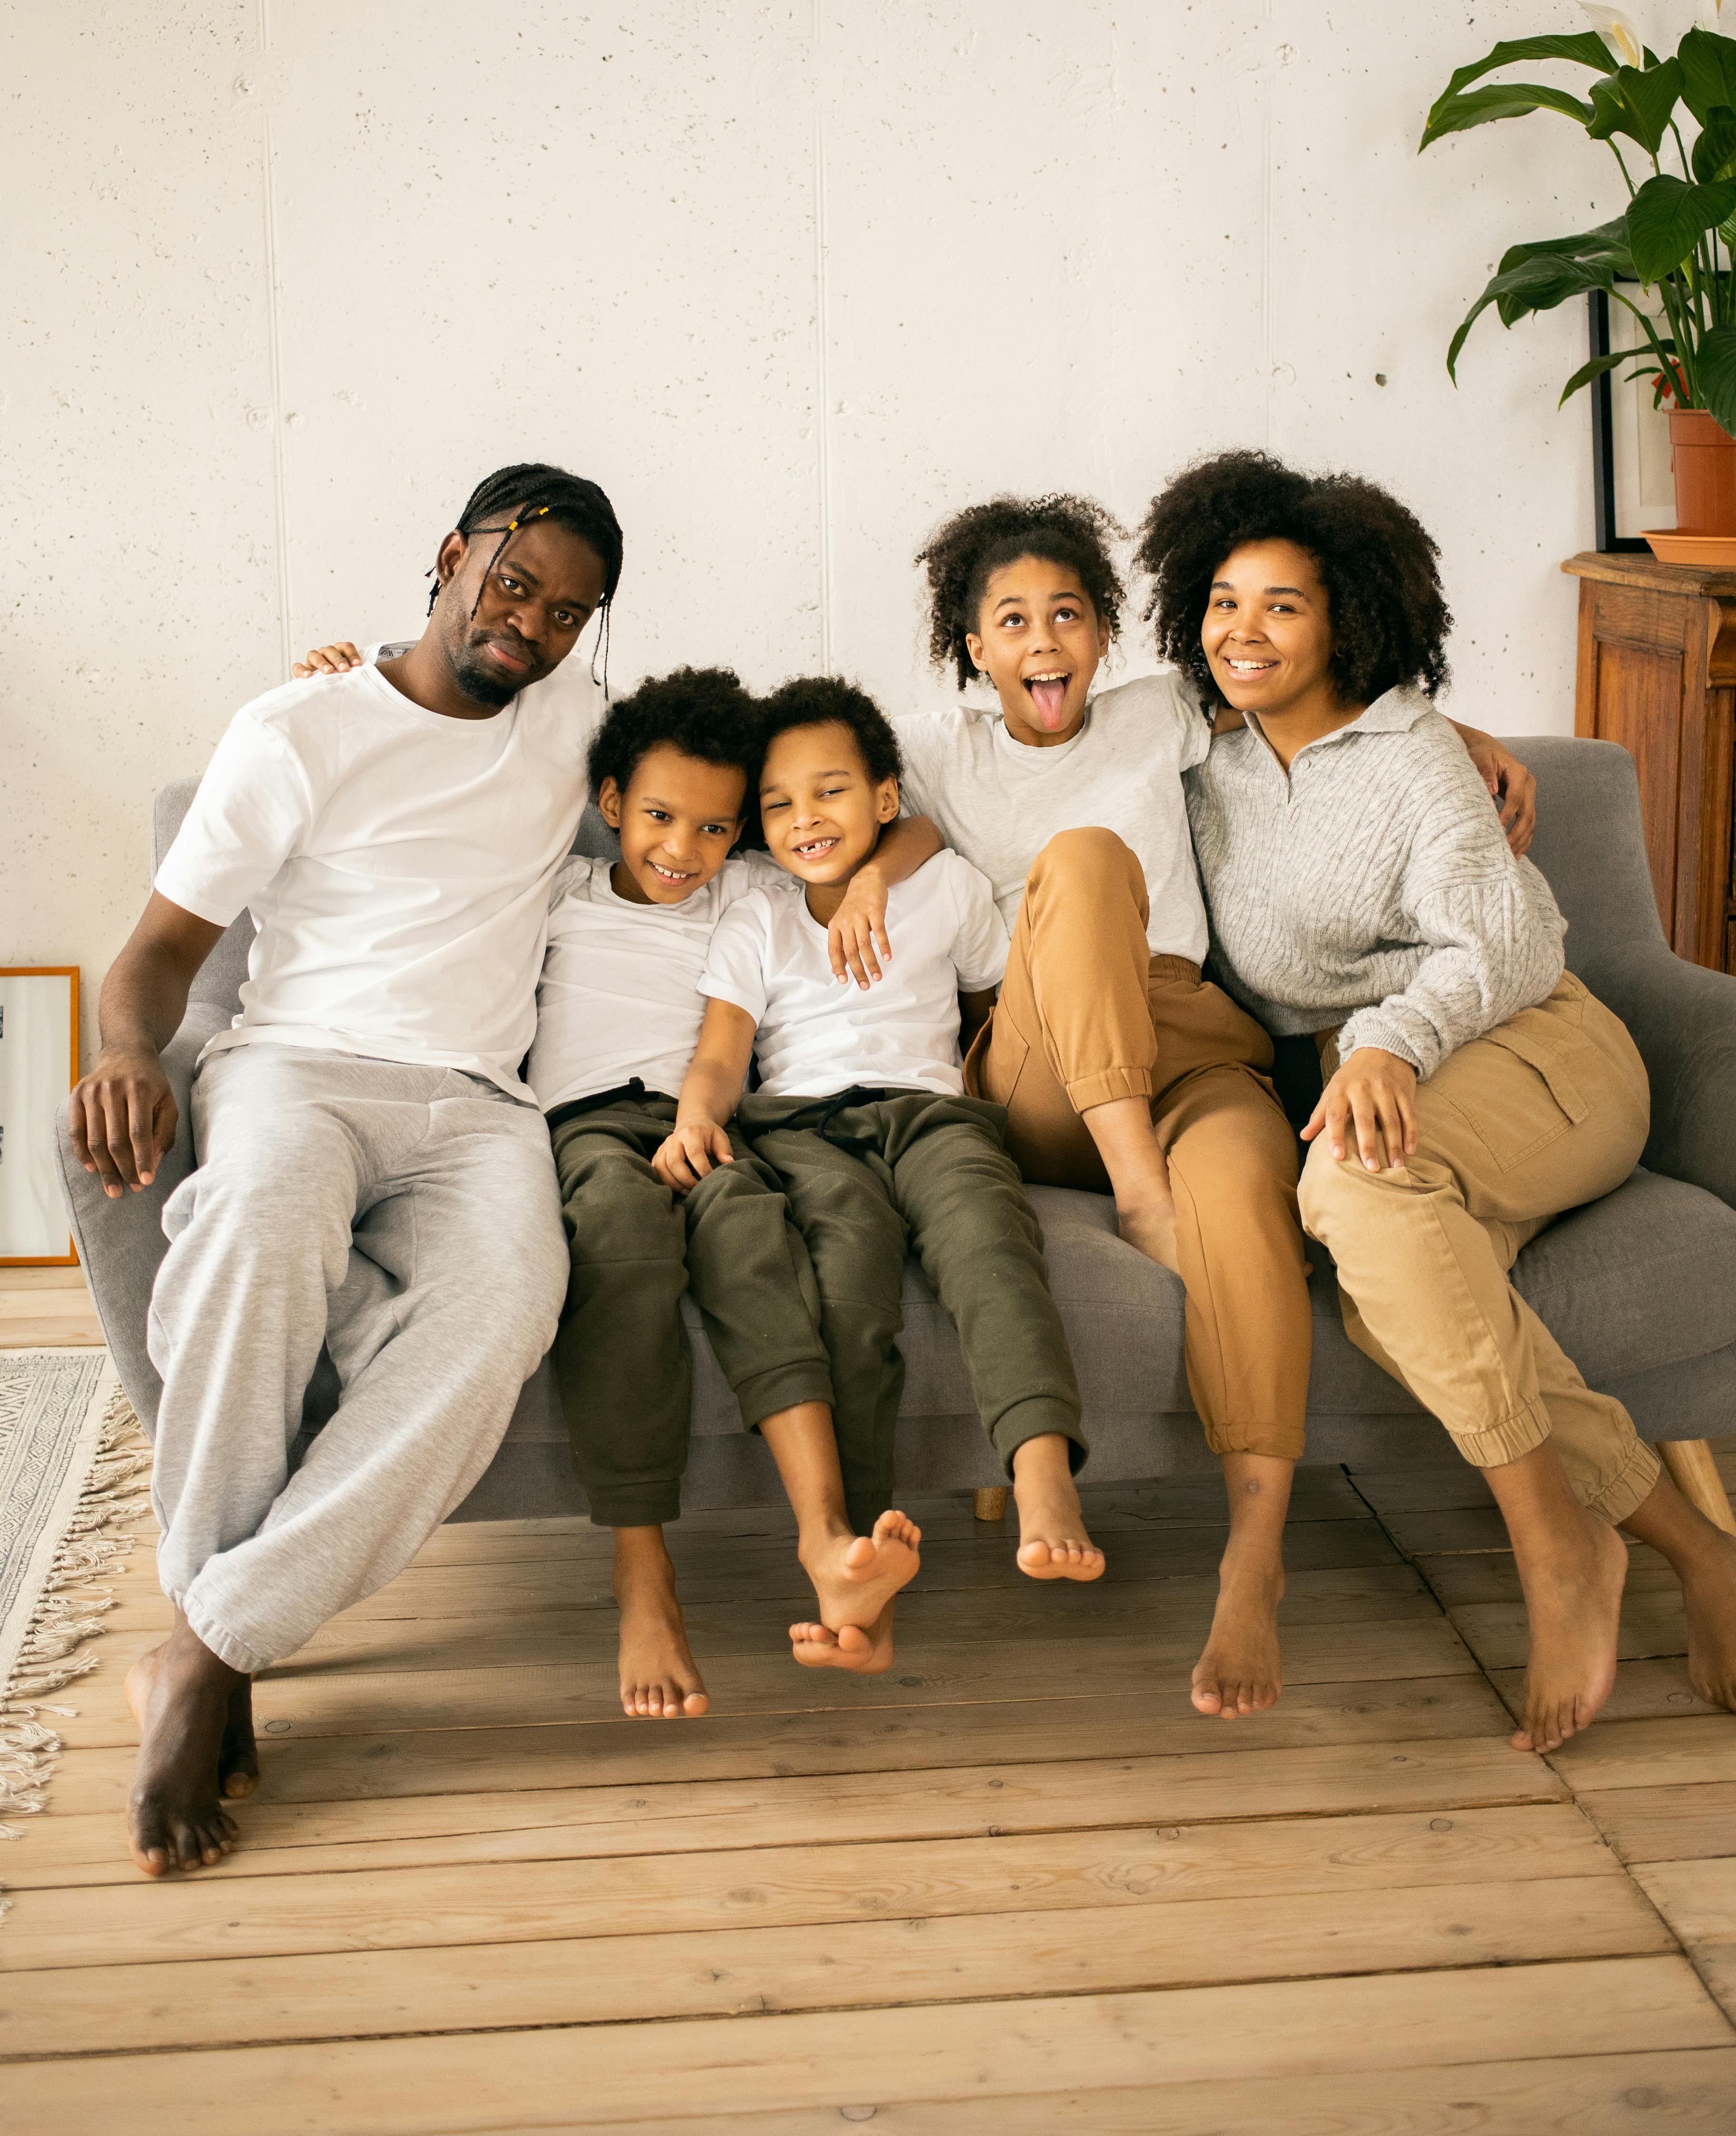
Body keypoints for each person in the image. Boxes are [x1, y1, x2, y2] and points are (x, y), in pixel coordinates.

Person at [897, 493, 1538, 1723]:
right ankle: (1140, 1189)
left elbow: (1308, 689)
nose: (1045, 641)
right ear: (971, 648)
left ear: (1107, 632)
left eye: (1070, 615)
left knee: (1252, 1187)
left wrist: (1459, 732)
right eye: (1013, 621)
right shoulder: (932, 746)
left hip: (1192, 1040)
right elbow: (809, 795)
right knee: (1084, 861)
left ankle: (1254, 1554)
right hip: (1040, 1059)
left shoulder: (1162, 716)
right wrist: (879, 869)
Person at [68, 463, 623, 1879]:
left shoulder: (579, 720)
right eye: (513, 584)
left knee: (503, 1313)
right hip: (298, 1073)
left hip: (481, 1110)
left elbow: (781, 770)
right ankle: (212, 1655)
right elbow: (153, 962)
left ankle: (205, 1640)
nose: (532, 626)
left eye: (570, 613)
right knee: (255, 1231)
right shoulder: (296, 726)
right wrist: (131, 1055)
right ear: (451, 554)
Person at [1138, 446, 1736, 1757]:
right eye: (1225, 600)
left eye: (1284, 605)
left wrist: (1391, 1045)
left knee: (1350, 1187)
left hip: (1537, 1050)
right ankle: (1690, 1543)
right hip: (1398, 1081)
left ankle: (1551, 1541)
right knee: (1385, 1271)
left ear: (1350, 615)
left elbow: (1510, 948)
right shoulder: (1200, 759)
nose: (1244, 630)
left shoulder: (1412, 762)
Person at [658, 675, 1104, 1675]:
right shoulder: (759, 916)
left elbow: (1002, 1009)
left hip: (939, 1118)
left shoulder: (941, 886)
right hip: (805, 1131)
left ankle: (1042, 1474)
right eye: (778, 804)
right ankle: (859, 1580)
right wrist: (696, 1115)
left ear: (886, 800)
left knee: (992, 1245)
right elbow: (725, 1054)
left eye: (830, 793)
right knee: (845, 1298)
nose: (804, 819)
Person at [530, 664, 935, 1712]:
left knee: (757, 1235)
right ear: (611, 804)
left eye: (716, 829)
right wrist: (347, 674)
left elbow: (913, 833)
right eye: (660, 818)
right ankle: (643, 1576)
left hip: (707, 1121)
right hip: (585, 1124)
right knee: (620, 1236)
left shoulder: (754, 890)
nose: (683, 852)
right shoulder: (557, 891)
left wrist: (882, 877)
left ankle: (822, 1538)